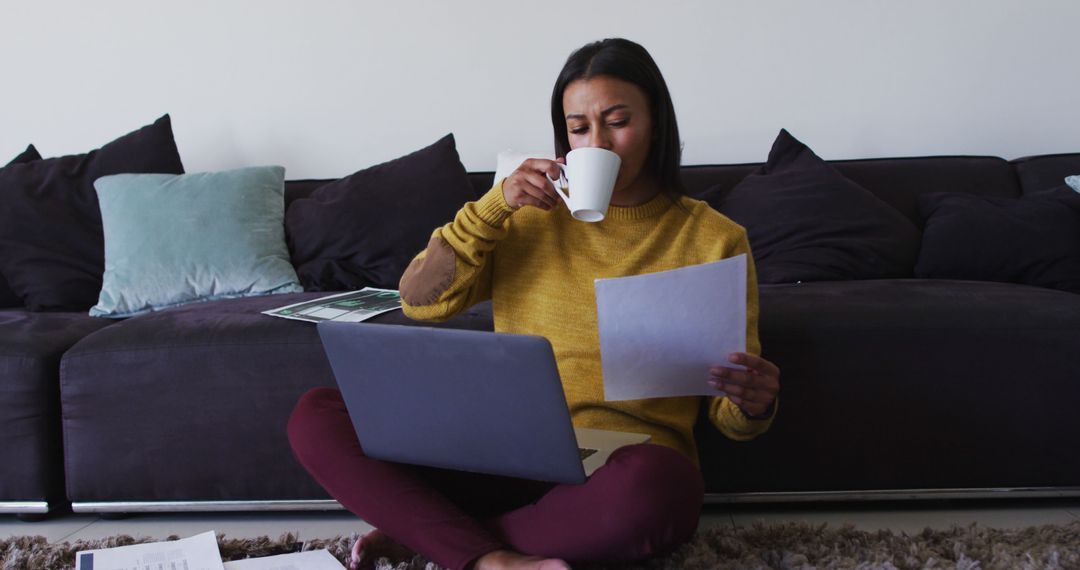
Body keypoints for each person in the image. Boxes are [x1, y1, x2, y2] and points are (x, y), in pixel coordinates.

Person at [287, 38, 780, 570]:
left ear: (656, 122)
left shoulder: (713, 238)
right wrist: (495, 204)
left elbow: (730, 417)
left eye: (617, 121)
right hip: (506, 453)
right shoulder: (527, 216)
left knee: (668, 488)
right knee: (317, 414)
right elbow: (420, 301)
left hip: (619, 471)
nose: (599, 144)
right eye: (579, 128)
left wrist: (754, 401)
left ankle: (433, 540)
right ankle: (493, 559)